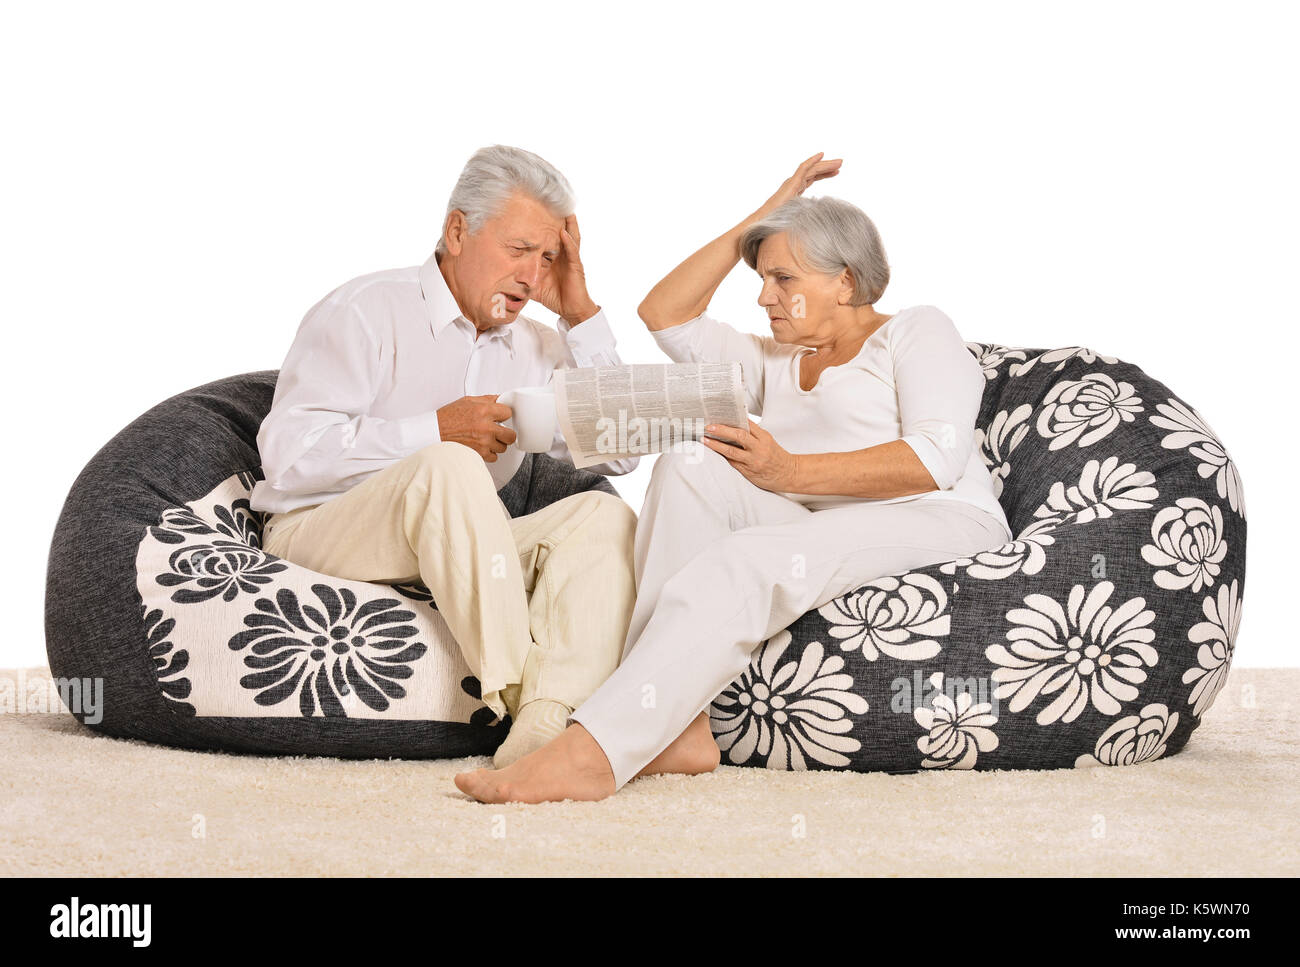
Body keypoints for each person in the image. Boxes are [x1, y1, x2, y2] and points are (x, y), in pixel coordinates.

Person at [454, 153, 1015, 803]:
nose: (763, 295)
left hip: (940, 519)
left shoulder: (917, 330)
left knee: (747, 559)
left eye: (782, 277)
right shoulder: (773, 361)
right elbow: (664, 312)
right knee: (689, 463)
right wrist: (769, 213)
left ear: (844, 280)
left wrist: (789, 469)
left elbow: (937, 456)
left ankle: (596, 751)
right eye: (761, 276)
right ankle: (675, 724)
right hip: (823, 524)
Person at [251, 145, 640, 768]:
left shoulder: (536, 345)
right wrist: (435, 430)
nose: (530, 275)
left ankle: (546, 730)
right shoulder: (365, 310)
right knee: (450, 464)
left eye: (546, 258)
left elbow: (623, 453)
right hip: (319, 531)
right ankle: (518, 695)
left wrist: (580, 314)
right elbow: (289, 458)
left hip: (458, 551)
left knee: (604, 517)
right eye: (518, 250)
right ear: (457, 230)